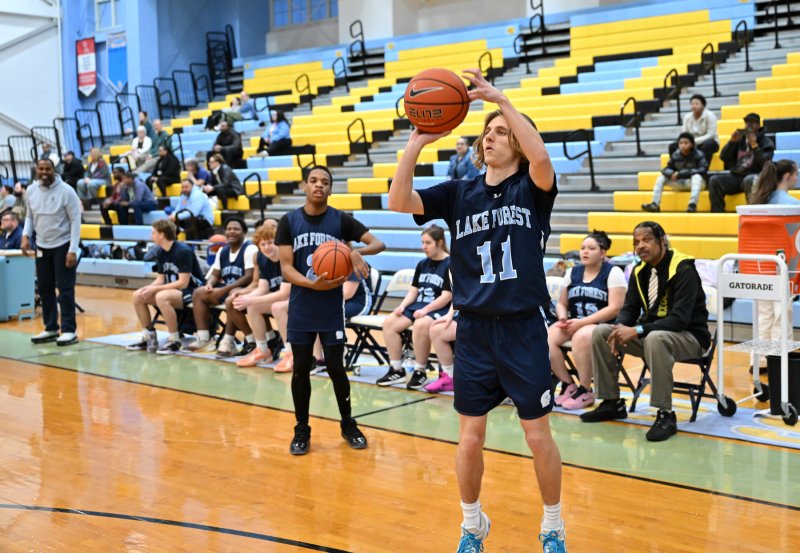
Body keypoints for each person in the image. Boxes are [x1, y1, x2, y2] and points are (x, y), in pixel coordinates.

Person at [387, 68, 567, 551]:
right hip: (475, 333)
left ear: (517, 141)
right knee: (469, 440)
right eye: (486, 132)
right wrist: (418, 141)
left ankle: (552, 525)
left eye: (501, 132)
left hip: (523, 328)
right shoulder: (459, 191)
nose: (491, 137)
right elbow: (398, 199)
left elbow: (543, 155)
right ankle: (472, 525)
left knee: (537, 438)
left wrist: (502, 101)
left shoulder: (533, 188)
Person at [275, 165, 385, 455]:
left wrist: (355, 251)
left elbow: (378, 243)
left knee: (337, 369)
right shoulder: (288, 221)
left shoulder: (340, 220)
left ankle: (348, 424)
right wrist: (311, 285)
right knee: (300, 370)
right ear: (304, 186)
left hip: (331, 309)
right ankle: (301, 430)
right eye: (313, 181)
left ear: (330, 189)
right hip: (302, 307)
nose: (319, 185)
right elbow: (286, 268)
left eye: (325, 182)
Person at [580, 222, 710, 442]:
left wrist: (638, 329)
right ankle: (611, 402)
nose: (641, 246)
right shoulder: (640, 271)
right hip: (651, 335)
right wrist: (620, 327)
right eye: (636, 242)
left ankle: (665, 414)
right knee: (602, 332)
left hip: (689, 337)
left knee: (656, 338)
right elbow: (629, 308)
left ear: (662, 241)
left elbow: (679, 320)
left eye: (646, 240)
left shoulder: (684, 269)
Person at [548, 231, 626, 410]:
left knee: (581, 337)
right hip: (576, 321)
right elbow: (561, 303)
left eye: (591, 248)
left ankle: (586, 389)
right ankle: (568, 384)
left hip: (603, 326)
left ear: (603, 253)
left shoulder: (613, 272)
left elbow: (615, 307)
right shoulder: (573, 272)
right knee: (547, 337)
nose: (585, 252)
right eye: (583, 248)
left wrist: (582, 323)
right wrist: (562, 317)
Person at [377, 225, 453, 390]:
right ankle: (396, 369)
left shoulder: (450, 264)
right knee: (390, 322)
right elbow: (413, 291)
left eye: (428, 243)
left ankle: (420, 371)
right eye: (422, 242)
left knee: (421, 324)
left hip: (440, 308)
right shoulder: (422, 264)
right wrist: (402, 306)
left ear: (439, 243)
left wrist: (426, 310)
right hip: (418, 305)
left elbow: (447, 296)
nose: (423, 247)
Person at [21, 159, 82, 346]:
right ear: (36, 170)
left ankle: (69, 330)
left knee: (64, 289)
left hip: (63, 245)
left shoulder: (67, 191)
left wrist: (73, 249)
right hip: (42, 245)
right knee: (45, 288)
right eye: (41, 169)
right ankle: (50, 328)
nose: (44, 172)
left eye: (48, 169)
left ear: (54, 170)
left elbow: (75, 221)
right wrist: (25, 235)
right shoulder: (31, 190)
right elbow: (30, 216)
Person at [748, 160, 800, 372]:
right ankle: (779, 361)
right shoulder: (791, 205)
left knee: (764, 316)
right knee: (781, 315)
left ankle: (758, 362)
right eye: (796, 174)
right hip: (783, 267)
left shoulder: (757, 201)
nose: (797, 178)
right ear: (788, 176)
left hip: (759, 267)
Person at [127, 219, 206, 354]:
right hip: (174, 290)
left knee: (162, 296)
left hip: (192, 290)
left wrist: (154, 289)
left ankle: (174, 340)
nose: (151, 236)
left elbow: (183, 283)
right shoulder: (161, 251)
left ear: (162, 235)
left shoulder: (183, 251)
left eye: (153, 233)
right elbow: (161, 279)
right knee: (138, 295)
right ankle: (148, 336)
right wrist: (148, 288)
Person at [186, 217, 257, 353]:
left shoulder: (250, 248)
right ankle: (204, 339)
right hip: (227, 289)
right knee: (199, 293)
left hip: (246, 290)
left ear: (244, 232)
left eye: (236, 229)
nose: (232, 232)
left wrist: (223, 289)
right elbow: (215, 274)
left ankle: (229, 340)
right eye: (229, 229)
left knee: (233, 293)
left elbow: (249, 276)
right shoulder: (222, 251)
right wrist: (210, 284)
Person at [235, 222, 291, 366]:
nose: (267, 247)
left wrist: (251, 300)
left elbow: (284, 294)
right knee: (253, 307)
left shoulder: (288, 256)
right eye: (263, 244)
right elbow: (263, 288)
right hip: (281, 298)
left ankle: (290, 353)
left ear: (278, 242)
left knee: (277, 307)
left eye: (270, 243)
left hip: (301, 297)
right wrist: (248, 298)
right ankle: (262, 350)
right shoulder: (262, 258)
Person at [708, 113, 775, 213]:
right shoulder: (740, 140)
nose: (748, 125)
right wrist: (732, 142)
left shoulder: (766, 142)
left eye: (752, 123)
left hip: (756, 176)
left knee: (749, 180)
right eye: (747, 123)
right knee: (714, 180)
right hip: (737, 176)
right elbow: (723, 157)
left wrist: (755, 146)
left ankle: (753, 214)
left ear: (758, 125)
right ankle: (718, 214)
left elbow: (765, 163)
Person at [642, 132, 708, 213]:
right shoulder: (676, 154)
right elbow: (666, 169)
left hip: (695, 183)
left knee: (696, 176)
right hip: (680, 182)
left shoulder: (699, 154)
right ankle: (655, 204)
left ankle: (692, 205)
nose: (683, 145)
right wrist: (671, 173)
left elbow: (702, 169)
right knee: (661, 177)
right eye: (681, 143)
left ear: (691, 144)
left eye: (686, 143)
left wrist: (681, 173)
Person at [668, 94, 719, 163]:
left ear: (703, 106)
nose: (694, 106)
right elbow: (684, 134)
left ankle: (702, 169)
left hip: (707, 142)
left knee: (708, 145)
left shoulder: (710, 115)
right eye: (692, 104)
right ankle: (677, 168)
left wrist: (694, 142)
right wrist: (687, 143)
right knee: (673, 146)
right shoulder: (687, 117)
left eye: (697, 104)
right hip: (691, 143)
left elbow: (710, 135)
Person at [424, 305, 458, 393]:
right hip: (465, 317)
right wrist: (449, 315)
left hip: (488, 318)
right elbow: (458, 296)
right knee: (437, 330)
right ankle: (449, 376)